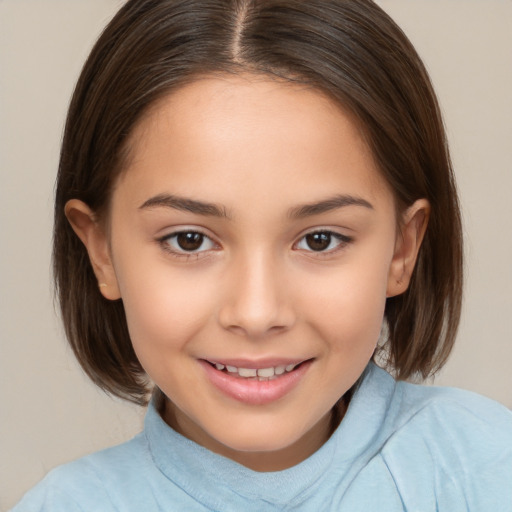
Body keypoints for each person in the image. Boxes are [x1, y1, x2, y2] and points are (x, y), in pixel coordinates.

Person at [12, 0, 512, 510]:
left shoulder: (489, 469)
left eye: (320, 239)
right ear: (101, 251)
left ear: (402, 249)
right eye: (189, 240)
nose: (256, 313)